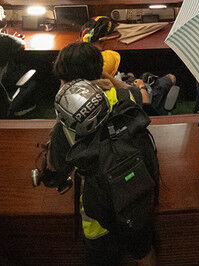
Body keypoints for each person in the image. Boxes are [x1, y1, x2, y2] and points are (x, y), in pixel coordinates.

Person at [36, 79, 158, 266]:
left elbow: (57, 175)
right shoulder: (127, 106)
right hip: (140, 201)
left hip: (99, 224)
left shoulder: (67, 136)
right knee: (143, 252)